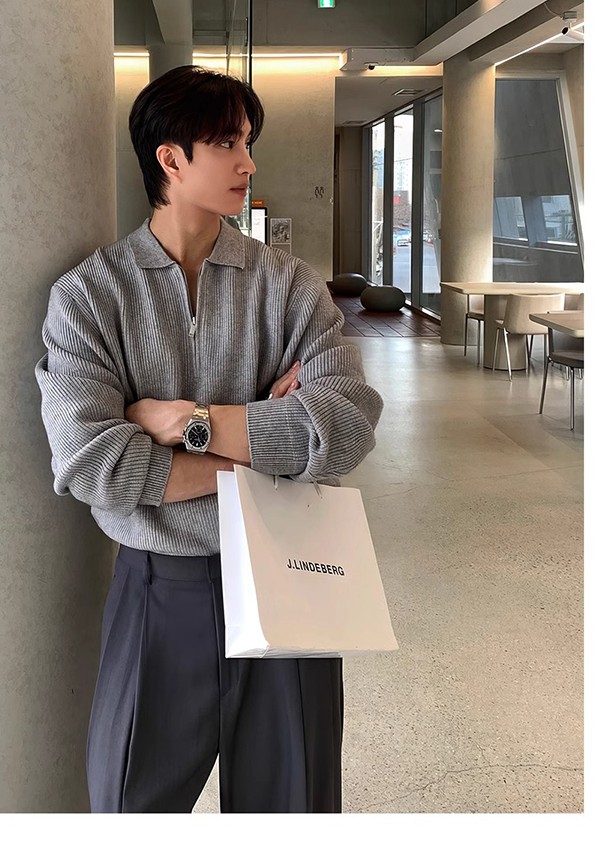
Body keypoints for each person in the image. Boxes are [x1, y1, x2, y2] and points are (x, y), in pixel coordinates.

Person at [34, 64, 384, 813]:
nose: (248, 162)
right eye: (228, 143)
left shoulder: (290, 286)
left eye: (247, 142)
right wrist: (271, 449)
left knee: (293, 814)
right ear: (171, 159)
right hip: (159, 590)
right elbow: (92, 463)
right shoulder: (90, 296)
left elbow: (348, 422)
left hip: (289, 576)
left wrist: (187, 422)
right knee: (129, 810)